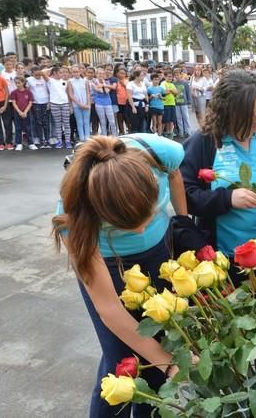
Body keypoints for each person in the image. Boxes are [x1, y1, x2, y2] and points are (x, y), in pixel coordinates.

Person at [53, 134, 190, 418]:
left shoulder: (163, 153)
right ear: (98, 213)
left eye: (150, 214)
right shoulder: (73, 215)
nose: (141, 230)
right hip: (111, 263)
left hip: (160, 251)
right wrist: (168, 364)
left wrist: (183, 219)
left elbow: (175, 175)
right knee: (123, 364)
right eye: (125, 226)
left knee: (157, 345)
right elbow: (110, 310)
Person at [180, 70, 256, 260]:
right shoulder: (205, 142)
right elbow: (183, 195)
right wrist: (227, 199)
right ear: (226, 114)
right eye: (247, 116)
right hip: (226, 259)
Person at [43, 66, 73, 149]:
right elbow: (42, 72)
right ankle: (59, 141)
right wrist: (51, 68)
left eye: (63, 72)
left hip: (65, 104)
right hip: (54, 104)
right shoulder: (50, 81)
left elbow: (68, 94)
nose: (62, 74)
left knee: (66, 123)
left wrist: (70, 106)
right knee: (58, 124)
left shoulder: (65, 81)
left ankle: (67, 141)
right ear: (55, 73)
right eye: (60, 72)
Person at [9, 76, 37, 151]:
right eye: (16, 83)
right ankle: (19, 143)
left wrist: (25, 112)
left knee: (28, 128)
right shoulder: (14, 92)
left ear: (23, 82)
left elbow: (30, 103)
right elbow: (14, 103)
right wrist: (20, 112)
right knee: (18, 128)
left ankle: (31, 143)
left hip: (27, 112)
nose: (17, 84)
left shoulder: (28, 92)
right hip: (17, 113)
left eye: (19, 83)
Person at [26, 66, 51, 148]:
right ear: (32, 73)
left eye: (39, 74)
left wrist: (43, 73)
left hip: (45, 102)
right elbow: (27, 90)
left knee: (46, 122)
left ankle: (47, 139)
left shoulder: (45, 78)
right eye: (36, 74)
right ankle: (40, 139)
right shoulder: (29, 80)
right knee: (38, 122)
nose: (38, 76)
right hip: (36, 103)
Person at [68, 66, 92, 142]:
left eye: (77, 71)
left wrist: (88, 104)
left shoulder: (85, 81)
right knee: (79, 122)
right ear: (72, 73)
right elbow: (71, 95)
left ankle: (87, 138)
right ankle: (82, 138)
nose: (76, 73)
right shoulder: (70, 82)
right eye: (74, 72)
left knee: (86, 121)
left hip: (86, 104)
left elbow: (88, 93)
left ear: (80, 72)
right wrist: (80, 104)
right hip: (76, 105)